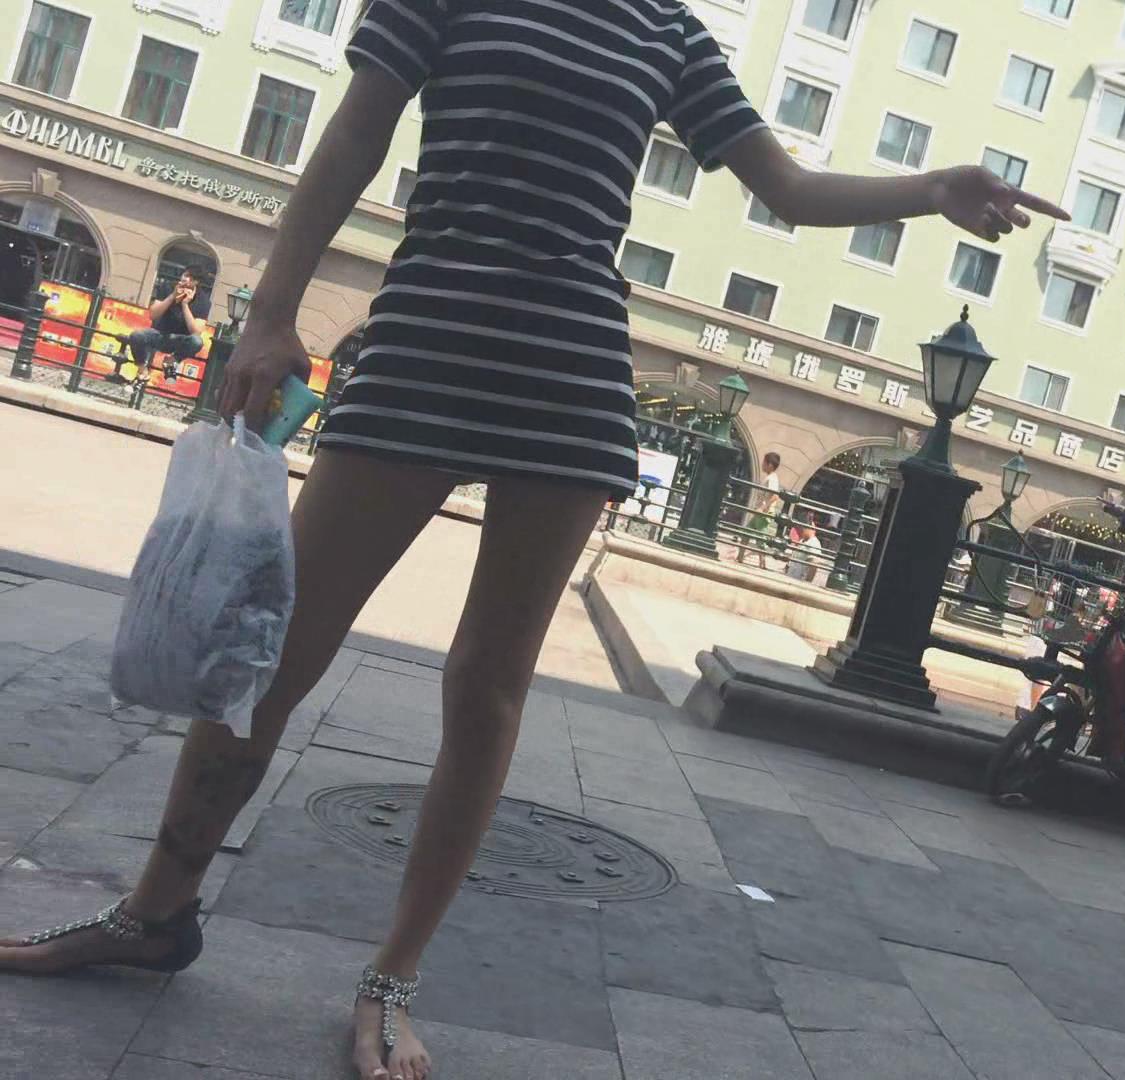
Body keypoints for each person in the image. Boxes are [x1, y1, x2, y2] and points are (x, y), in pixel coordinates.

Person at [0, 0, 1067, 1076]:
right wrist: (273, 310)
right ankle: (155, 915)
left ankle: (392, 977)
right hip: (425, 340)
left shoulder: (668, 31)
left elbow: (785, 188)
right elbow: (355, 136)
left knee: (489, 689)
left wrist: (932, 188)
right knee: (270, 653)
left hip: (571, 375)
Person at [130, 267, 212, 378]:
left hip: (181, 340)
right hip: (159, 334)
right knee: (137, 335)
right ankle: (142, 369)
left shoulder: (203, 300)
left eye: (191, 278)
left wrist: (185, 304)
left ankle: (172, 360)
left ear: (196, 282)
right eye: (185, 275)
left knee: (197, 341)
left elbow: (196, 332)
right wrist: (172, 296)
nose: (186, 279)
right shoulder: (167, 287)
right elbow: (153, 315)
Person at [738, 451, 783, 570]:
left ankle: (762, 563)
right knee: (747, 532)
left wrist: (763, 508)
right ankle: (740, 557)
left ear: (770, 465)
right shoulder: (770, 477)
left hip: (763, 513)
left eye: (764, 462)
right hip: (760, 512)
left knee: (760, 538)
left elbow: (775, 495)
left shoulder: (772, 478)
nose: (762, 464)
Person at [783, 510, 824, 584]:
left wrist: (807, 583)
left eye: (802, 528)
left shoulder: (813, 543)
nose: (800, 531)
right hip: (791, 578)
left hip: (799, 581)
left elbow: (814, 565)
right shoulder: (802, 541)